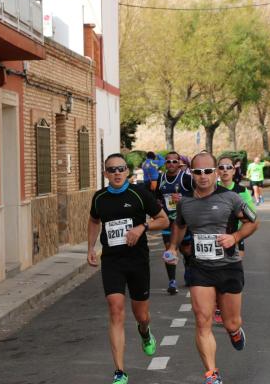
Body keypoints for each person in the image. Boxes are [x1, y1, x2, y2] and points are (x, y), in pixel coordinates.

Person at [167, 152, 259, 384]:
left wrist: (235, 237)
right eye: (197, 172)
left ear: (216, 172)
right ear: (192, 173)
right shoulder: (185, 201)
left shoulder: (230, 198)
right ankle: (212, 373)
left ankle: (235, 331)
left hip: (228, 267)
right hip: (201, 268)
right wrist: (173, 248)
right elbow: (179, 225)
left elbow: (253, 221)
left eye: (208, 171)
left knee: (231, 322)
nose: (203, 176)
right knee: (202, 320)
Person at [88, 153, 169, 384]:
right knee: (115, 309)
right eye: (111, 170)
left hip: (137, 261)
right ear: (105, 174)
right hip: (112, 261)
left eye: (120, 169)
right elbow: (94, 220)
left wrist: (142, 227)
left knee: (141, 315)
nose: (116, 173)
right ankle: (120, 371)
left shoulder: (139, 194)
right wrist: (90, 248)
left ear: (127, 172)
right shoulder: (99, 198)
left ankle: (145, 331)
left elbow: (164, 220)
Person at [213, 156, 255, 325]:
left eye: (228, 167)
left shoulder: (241, 191)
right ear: (217, 170)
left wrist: (237, 235)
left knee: (233, 273)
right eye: (221, 167)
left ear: (233, 170)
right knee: (215, 273)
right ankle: (218, 306)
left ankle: (230, 306)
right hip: (215, 238)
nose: (224, 170)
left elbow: (251, 216)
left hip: (235, 236)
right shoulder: (211, 190)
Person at [156, 151, 193, 295]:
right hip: (168, 221)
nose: (171, 164)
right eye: (168, 161)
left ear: (179, 163)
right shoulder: (161, 178)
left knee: (187, 250)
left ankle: (189, 268)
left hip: (184, 220)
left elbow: (198, 195)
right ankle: (172, 281)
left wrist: (184, 199)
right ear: (165, 164)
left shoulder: (186, 179)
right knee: (169, 249)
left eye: (174, 161)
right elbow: (157, 197)